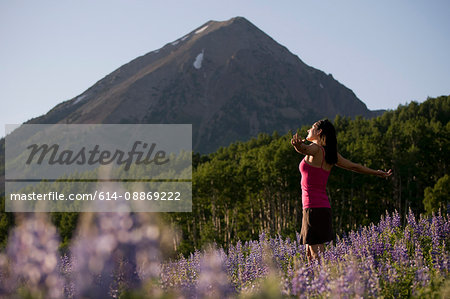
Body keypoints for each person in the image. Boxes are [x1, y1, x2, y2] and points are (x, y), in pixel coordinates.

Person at [290, 119, 392, 261]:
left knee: (315, 255)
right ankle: (317, 281)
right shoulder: (331, 154)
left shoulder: (317, 149)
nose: (308, 130)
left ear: (319, 132)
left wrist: (298, 146)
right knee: (310, 254)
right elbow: (355, 166)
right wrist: (376, 172)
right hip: (318, 208)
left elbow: (305, 149)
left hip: (314, 208)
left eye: (312, 127)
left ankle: (324, 281)